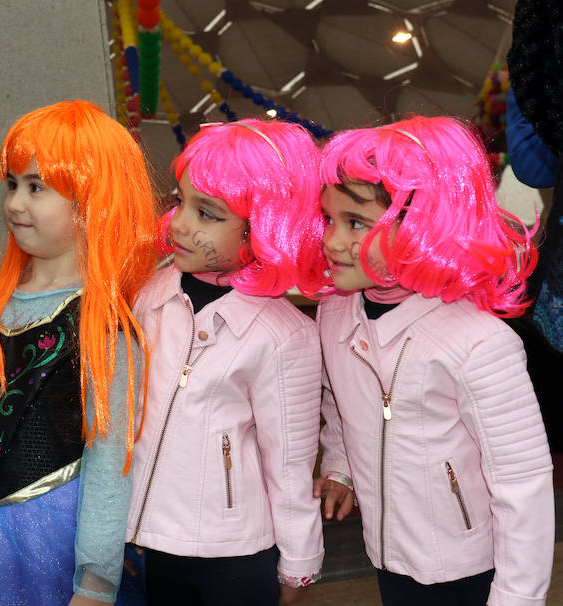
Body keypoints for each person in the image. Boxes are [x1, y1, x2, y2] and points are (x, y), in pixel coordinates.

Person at [0, 100, 157, 605]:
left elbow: (111, 459)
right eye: (12, 185)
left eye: (36, 187)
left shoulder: (103, 321)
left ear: (91, 201)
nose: (15, 203)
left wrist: (96, 579)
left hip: (57, 543)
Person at [314, 116, 554, 606]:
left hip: (471, 569)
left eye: (357, 222)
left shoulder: (479, 344)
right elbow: (340, 399)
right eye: (329, 219)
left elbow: (523, 484)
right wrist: (339, 466)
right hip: (385, 552)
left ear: (425, 225)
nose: (333, 241)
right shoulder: (335, 313)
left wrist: (516, 597)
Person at [125, 119, 326, 606]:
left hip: (234, 555)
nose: (179, 224)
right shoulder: (149, 295)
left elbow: (291, 462)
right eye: (180, 202)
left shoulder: (283, 333)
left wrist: (298, 565)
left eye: (207, 213)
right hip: (142, 540)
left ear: (263, 227)